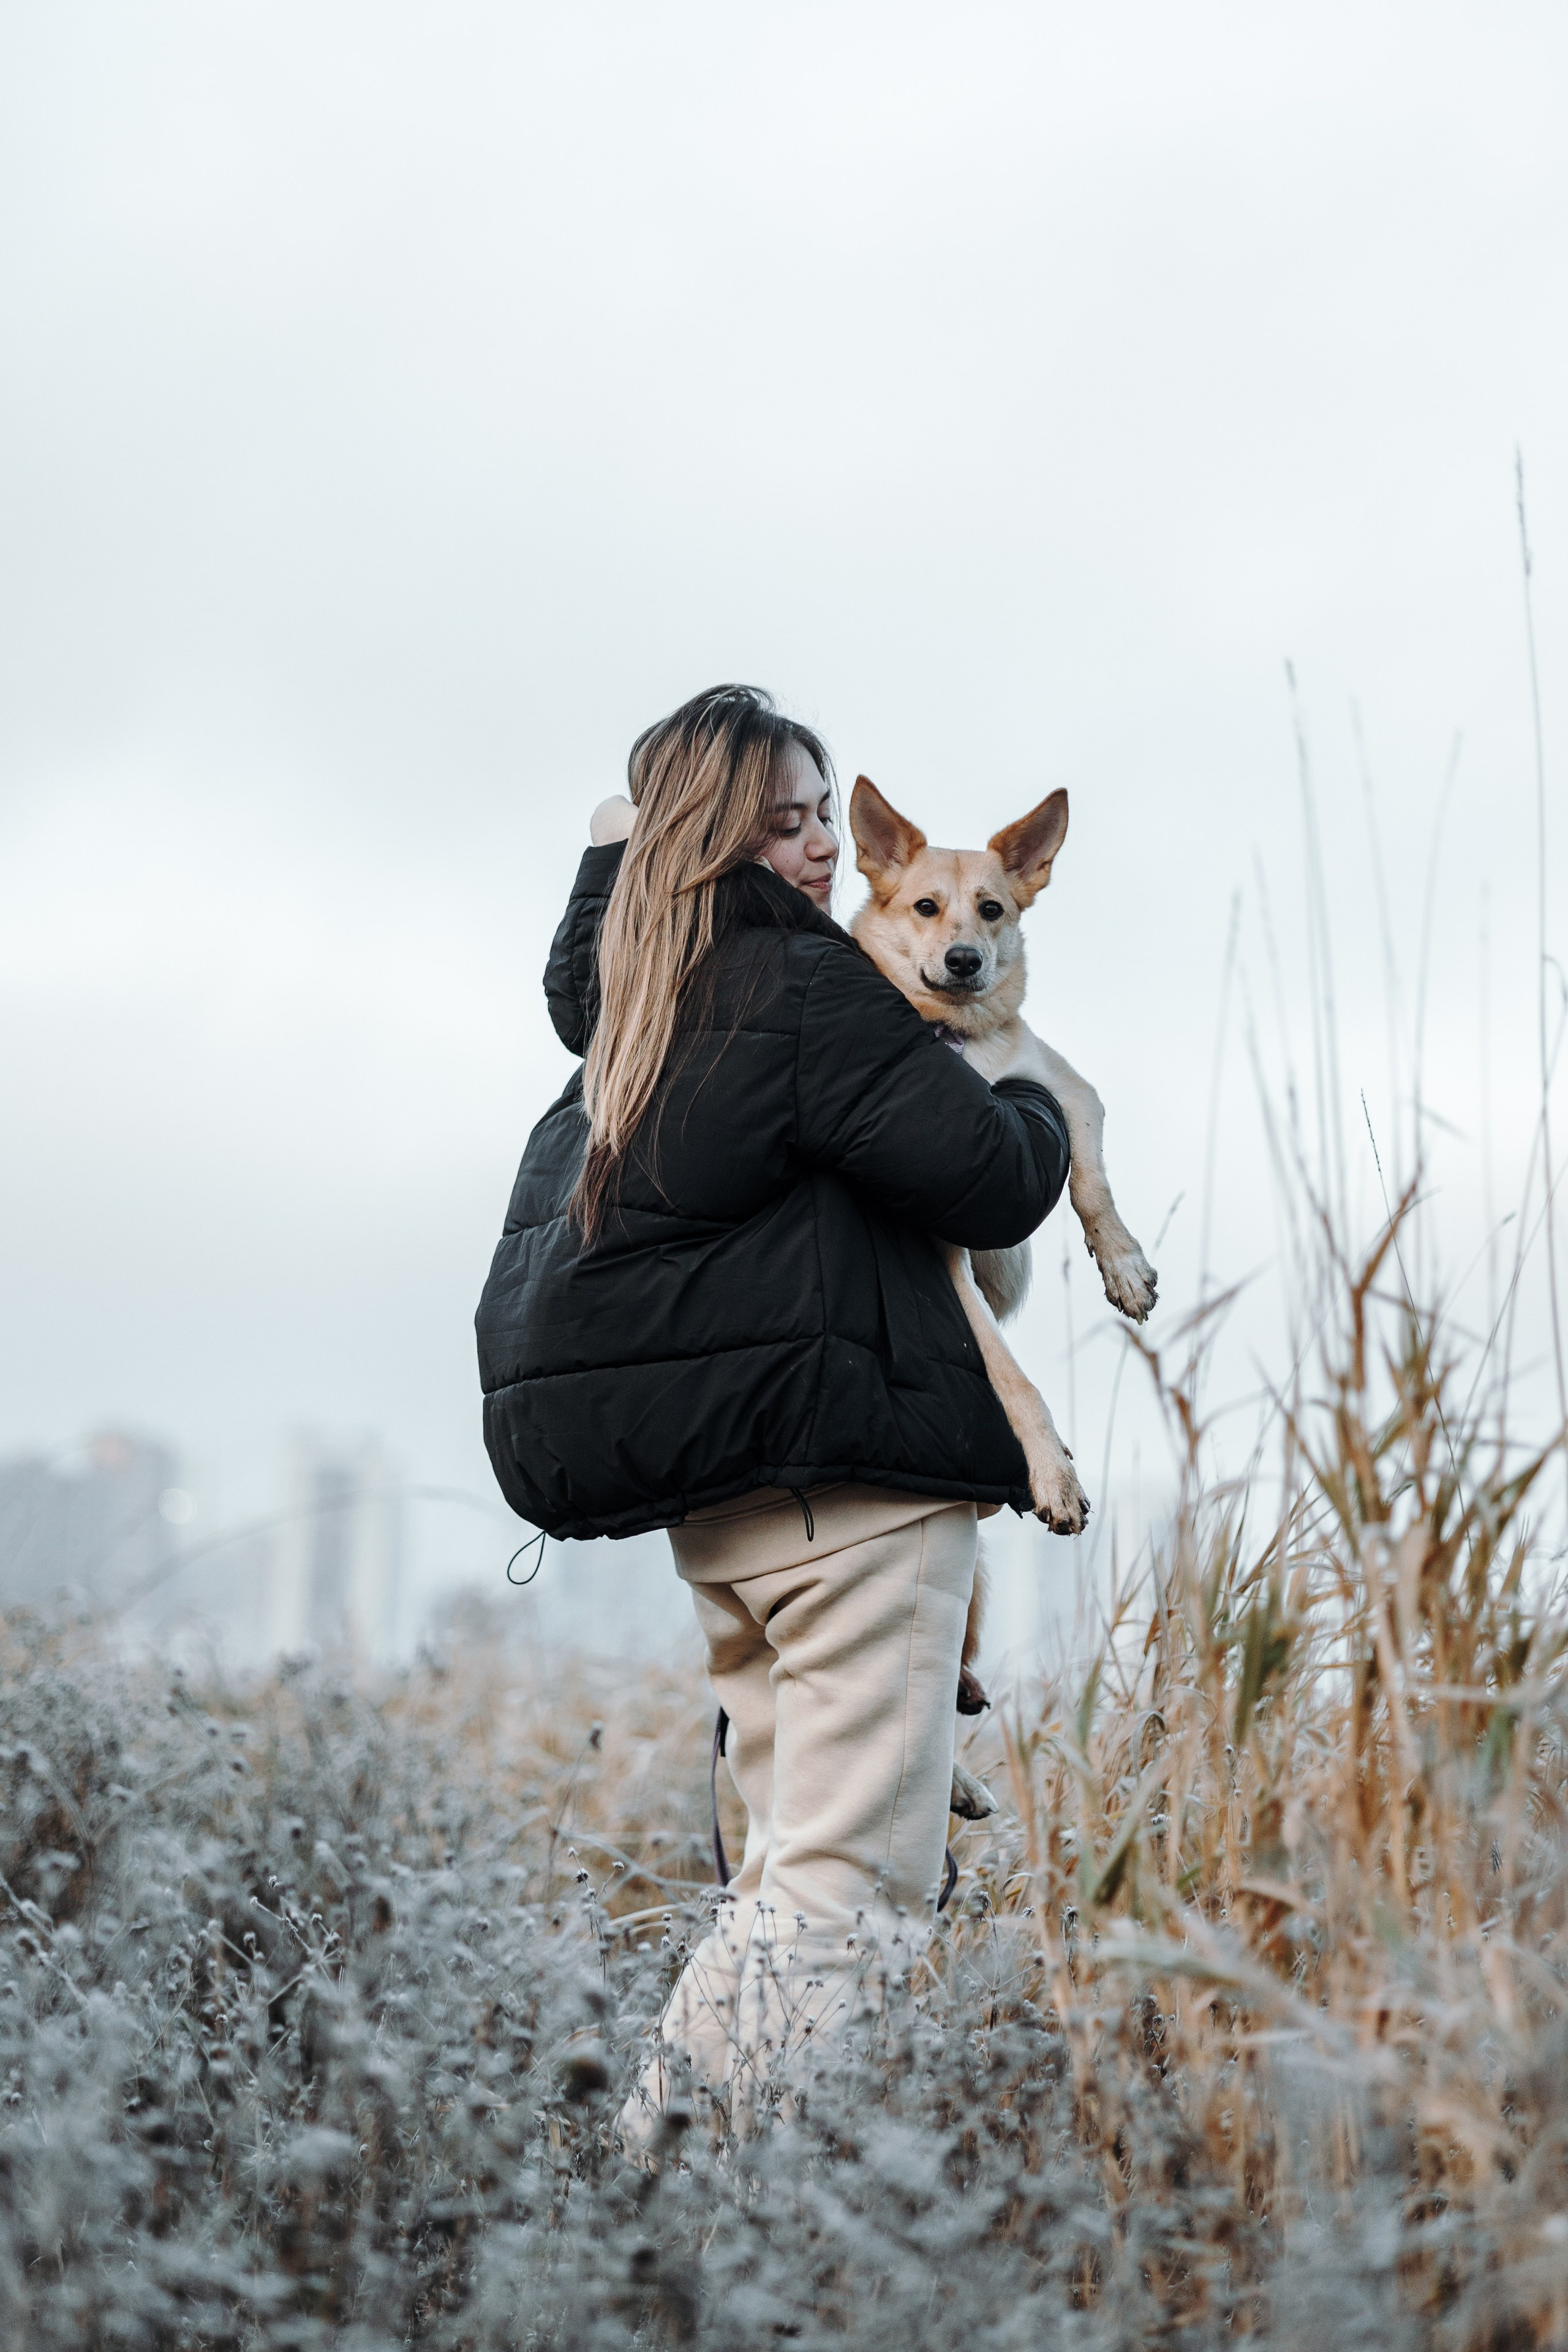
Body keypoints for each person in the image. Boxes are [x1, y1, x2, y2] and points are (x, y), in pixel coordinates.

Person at [475, 684, 1070, 2136]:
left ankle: (666, 2205)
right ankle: (699, 2222)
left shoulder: (640, 998)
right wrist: (1041, 1094)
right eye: (787, 825)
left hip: (730, 1526)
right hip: (852, 1504)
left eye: (820, 822)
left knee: (782, 1883)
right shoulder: (804, 988)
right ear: (716, 843)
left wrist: (616, 836)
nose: (820, 854)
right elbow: (992, 1181)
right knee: (848, 1895)